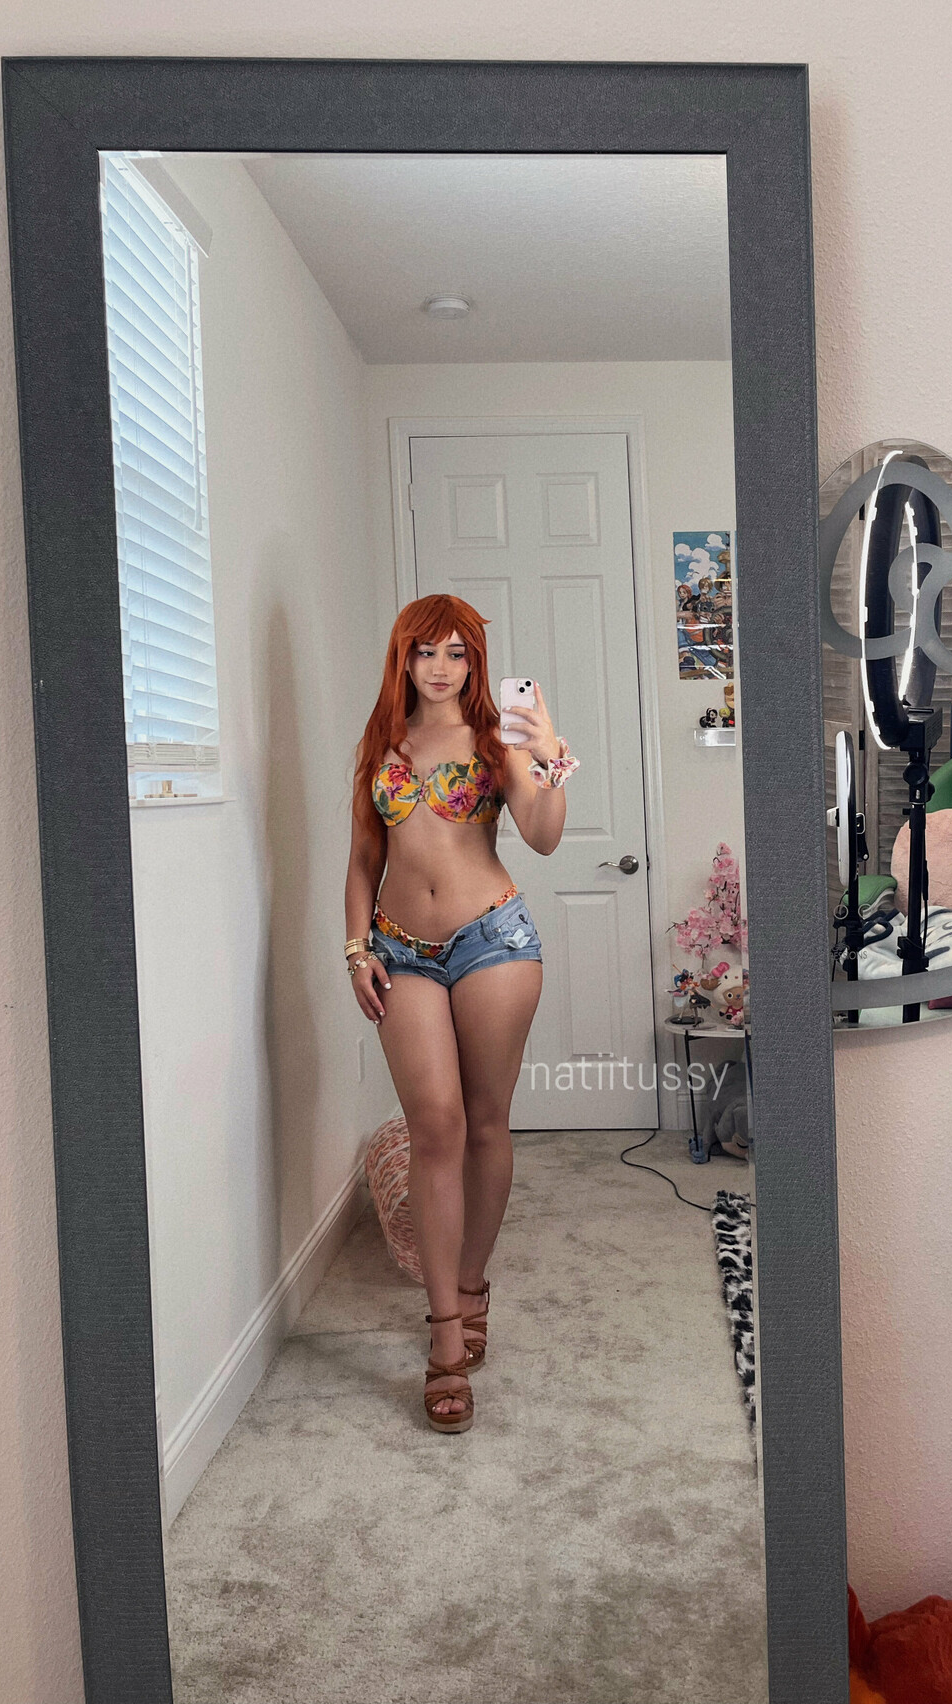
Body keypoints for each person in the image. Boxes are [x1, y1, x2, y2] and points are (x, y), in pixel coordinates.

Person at [343, 594, 576, 1432]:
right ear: (402, 659)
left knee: (483, 1124)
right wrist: (356, 950)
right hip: (400, 949)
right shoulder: (381, 743)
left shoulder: (495, 739)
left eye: (457, 653)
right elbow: (363, 857)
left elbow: (543, 836)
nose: (440, 668)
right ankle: (445, 1334)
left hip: (493, 941)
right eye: (425, 652)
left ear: (475, 663)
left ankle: (472, 1286)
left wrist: (547, 758)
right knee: (433, 1126)